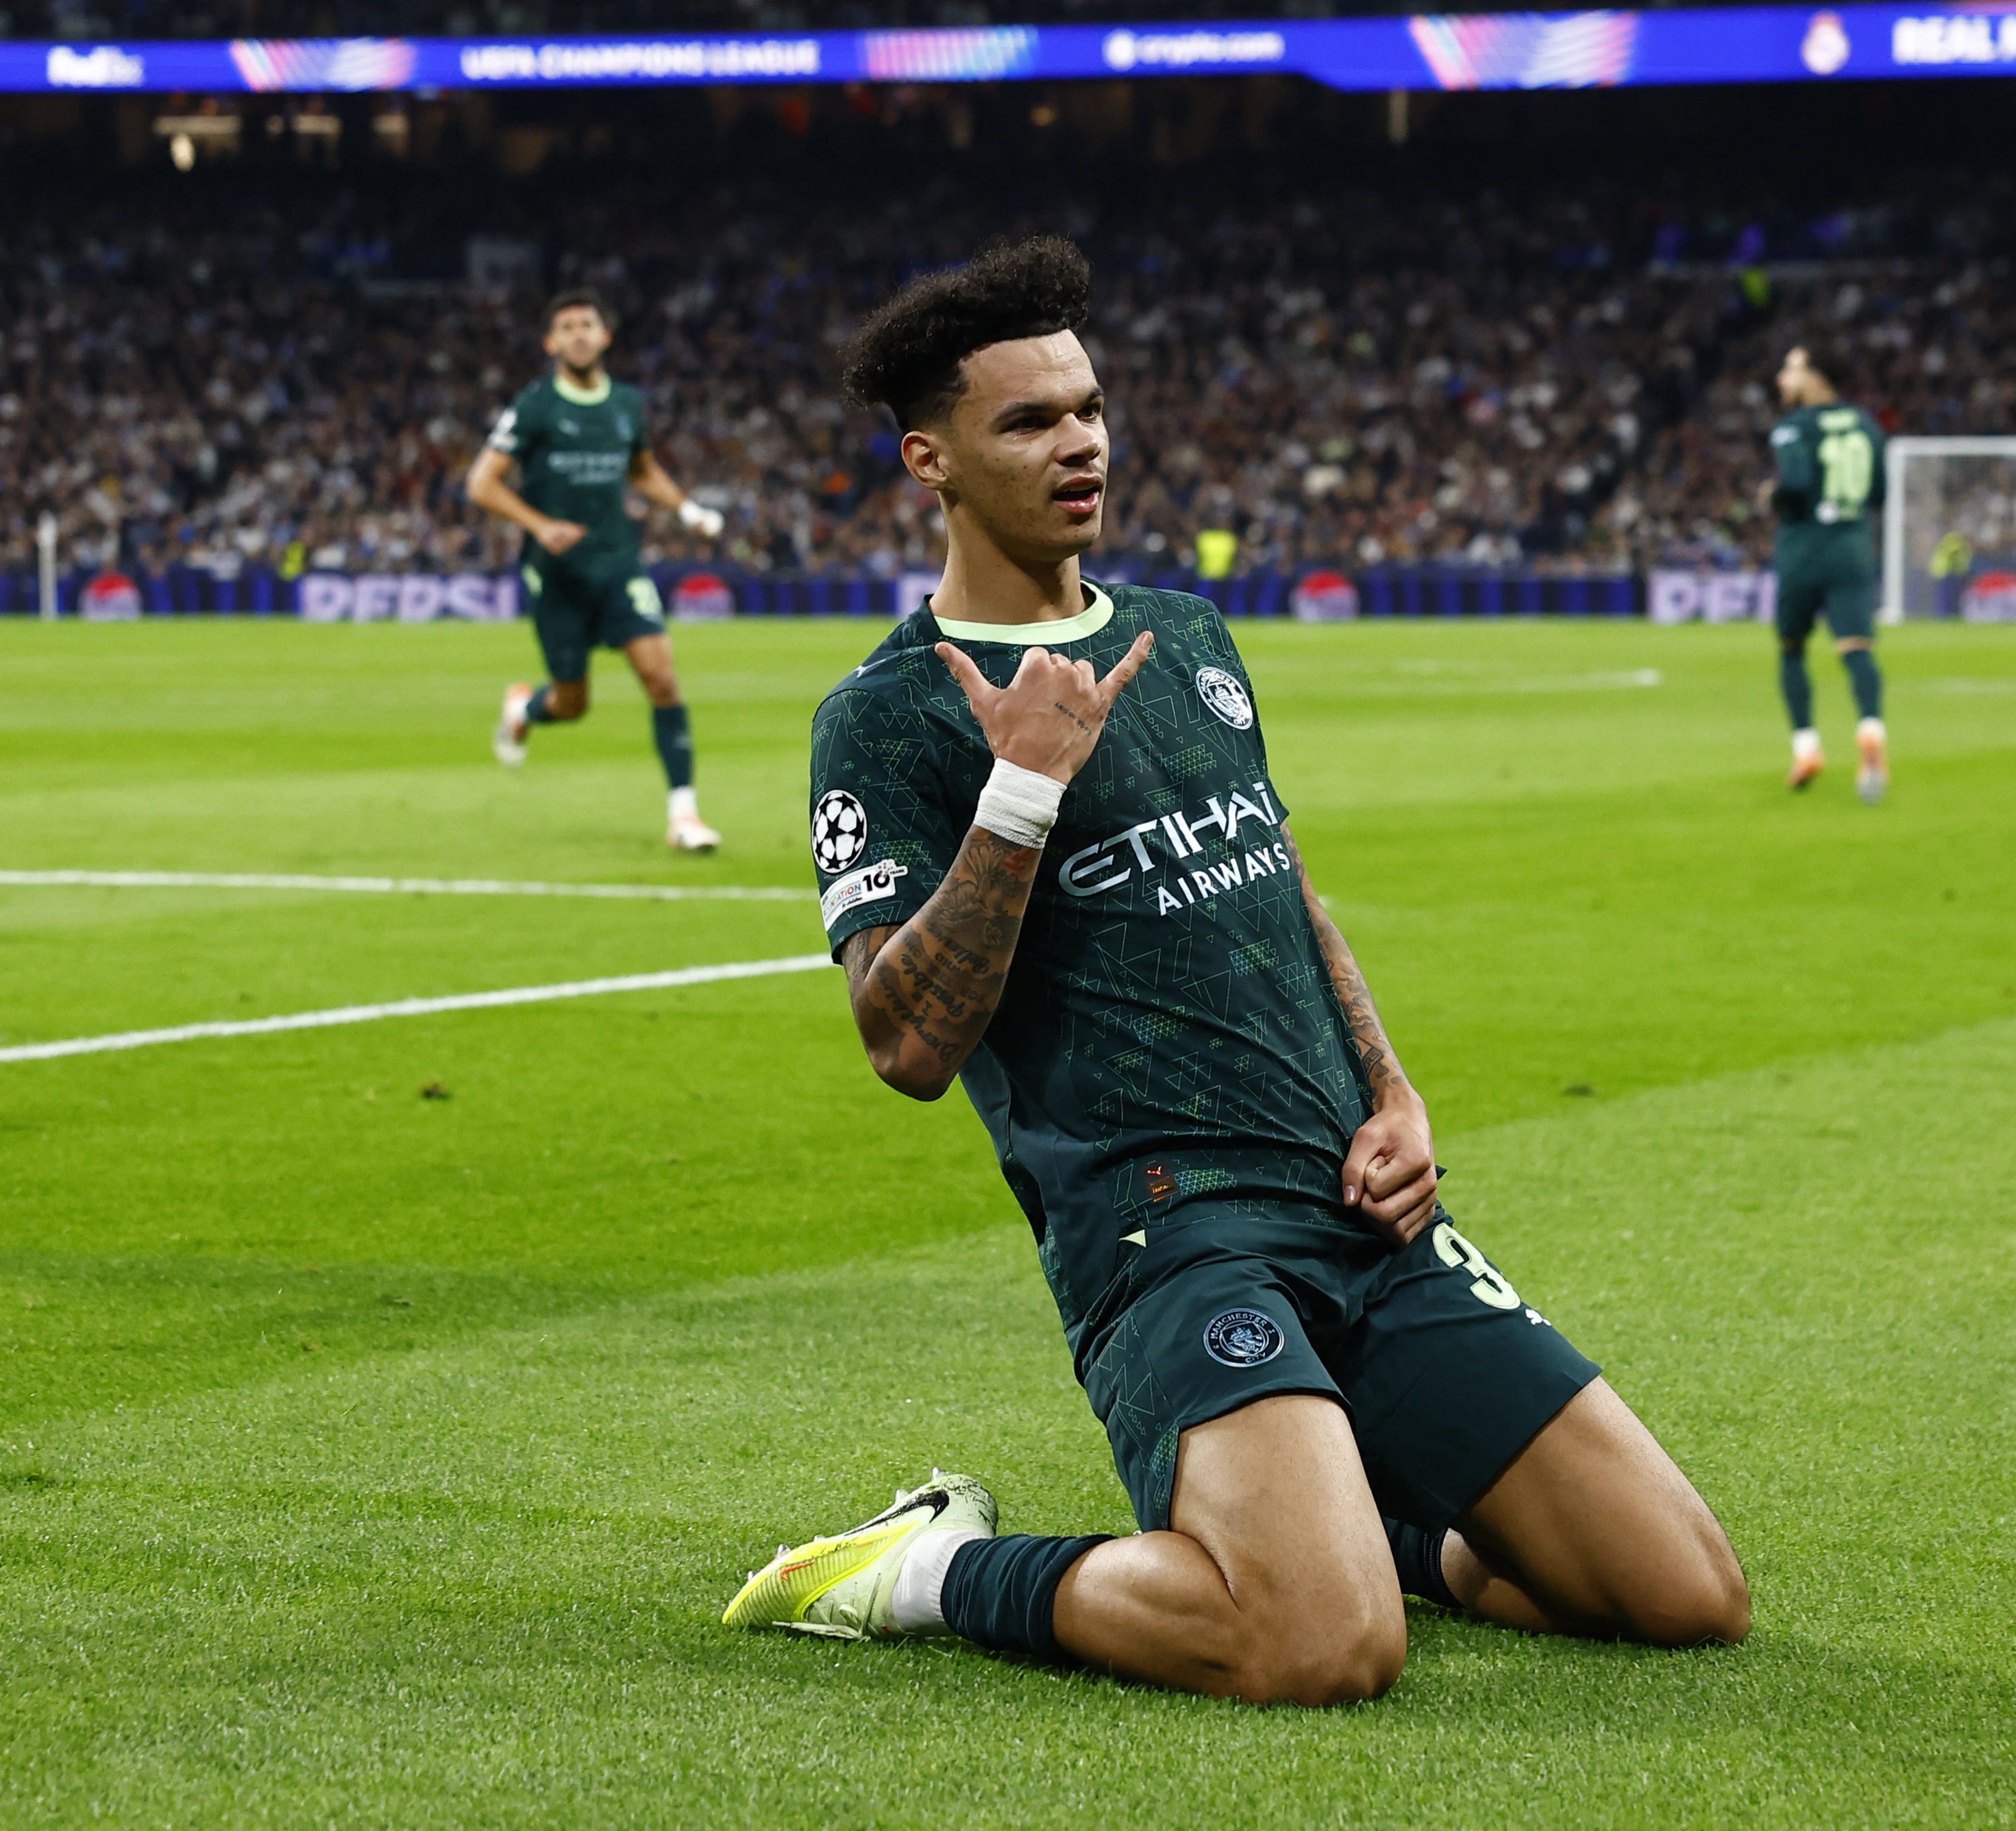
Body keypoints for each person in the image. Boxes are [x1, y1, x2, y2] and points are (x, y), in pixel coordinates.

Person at [724, 237, 1748, 1705]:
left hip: (1360, 1206)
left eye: (1084, 407)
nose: (1075, 441)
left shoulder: (1183, 633)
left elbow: (1278, 883)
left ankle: (1349, 1521)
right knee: (1317, 1648)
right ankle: (918, 1570)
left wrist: (1393, 1095)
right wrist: (1017, 796)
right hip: (1170, 1233)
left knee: (1677, 1594)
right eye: (1026, 421)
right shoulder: (888, 716)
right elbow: (903, 1042)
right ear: (926, 460)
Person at [469, 286, 729, 852]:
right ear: (551, 342)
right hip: (557, 574)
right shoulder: (536, 405)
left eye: (587, 324)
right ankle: (526, 707)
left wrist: (685, 509)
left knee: (661, 679)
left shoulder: (627, 404)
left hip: (618, 565)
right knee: (572, 703)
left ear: (605, 336)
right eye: (567, 327)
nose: (579, 333)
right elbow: (481, 483)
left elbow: (641, 468)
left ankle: (683, 815)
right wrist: (539, 526)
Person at [1767, 345, 1889, 804]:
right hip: (1853, 546)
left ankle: (1806, 747)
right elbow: (1878, 490)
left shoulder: (1793, 428)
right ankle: (1871, 730)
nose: (1782, 379)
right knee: (1857, 650)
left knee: (1792, 649)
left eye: (1791, 370)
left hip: (1804, 549)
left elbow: (1795, 484)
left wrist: (1772, 496)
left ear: (1815, 379)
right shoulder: (1867, 425)